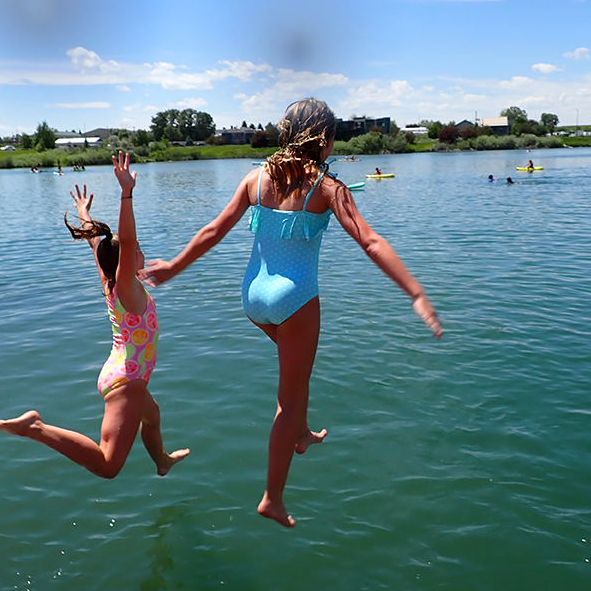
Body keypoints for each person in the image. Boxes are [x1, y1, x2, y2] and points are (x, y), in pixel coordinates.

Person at [141, 98, 443, 528]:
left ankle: (302, 434)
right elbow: (371, 242)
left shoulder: (255, 179)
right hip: (295, 298)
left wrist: (172, 267)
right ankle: (272, 497)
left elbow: (213, 230)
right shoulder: (327, 187)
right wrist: (414, 292)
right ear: (325, 140)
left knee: (297, 376)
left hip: (253, 298)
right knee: (289, 395)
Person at [0, 152, 189, 479]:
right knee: (108, 465)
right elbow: (126, 240)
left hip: (125, 371)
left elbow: (96, 242)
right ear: (125, 257)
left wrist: (84, 212)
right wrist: (126, 194)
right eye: (136, 250)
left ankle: (162, 461)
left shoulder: (110, 280)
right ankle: (35, 427)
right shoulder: (127, 289)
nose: (141, 251)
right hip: (126, 381)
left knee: (152, 417)